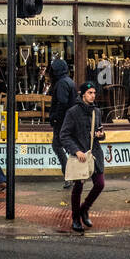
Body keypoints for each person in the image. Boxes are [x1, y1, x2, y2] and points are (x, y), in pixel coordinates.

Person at [59, 81, 106, 234]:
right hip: (80, 155)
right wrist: (75, 150)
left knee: (100, 184)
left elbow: (100, 131)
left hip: (95, 154)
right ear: (82, 94)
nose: (93, 96)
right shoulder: (73, 112)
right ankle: (75, 218)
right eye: (90, 93)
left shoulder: (96, 112)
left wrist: (101, 135)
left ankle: (84, 209)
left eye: (94, 93)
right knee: (78, 187)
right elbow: (64, 135)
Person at [48, 58, 79, 188]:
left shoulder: (61, 83)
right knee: (68, 147)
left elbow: (62, 103)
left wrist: (55, 118)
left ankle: (69, 175)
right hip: (69, 120)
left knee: (58, 146)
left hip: (62, 122)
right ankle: (72, 175)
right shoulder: (69, 81)